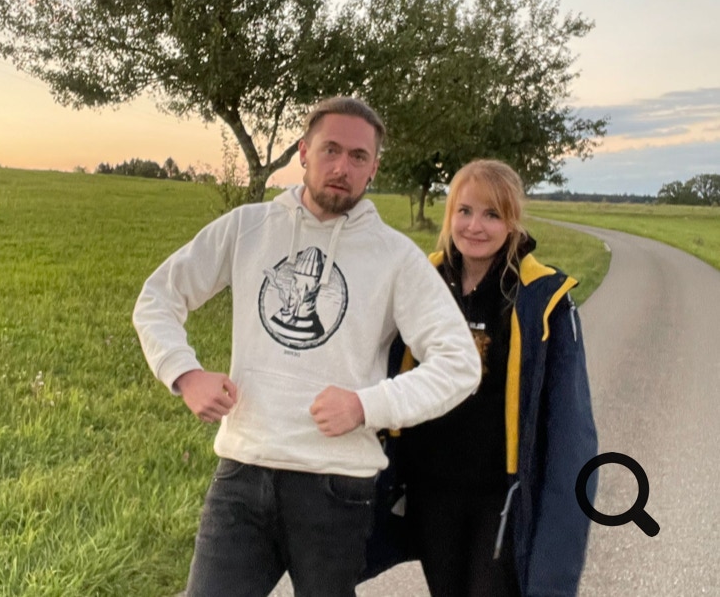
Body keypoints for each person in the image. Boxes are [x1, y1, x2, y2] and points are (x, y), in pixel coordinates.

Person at [132, 97, 481, 597]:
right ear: (303, 152)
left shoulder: (396, 258)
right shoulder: (246, 228)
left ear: (373, 168)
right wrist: (185, 374)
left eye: (358, 157)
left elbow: (459, 363)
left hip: (336, 486)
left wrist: (366, 405)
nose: (342, 167)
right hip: (243, 473)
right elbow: (158, 299)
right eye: (330, 150)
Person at [392, 159, 598, 596]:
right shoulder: (420, 281)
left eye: (492, 214)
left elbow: (570, 422)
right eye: (464, 211)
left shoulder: (541, 299)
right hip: (431, 487)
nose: (475, 226)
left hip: (499, 497)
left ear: (513, 222)